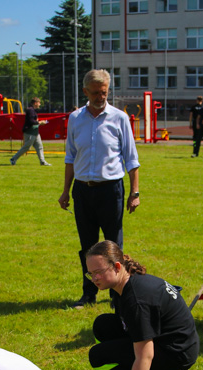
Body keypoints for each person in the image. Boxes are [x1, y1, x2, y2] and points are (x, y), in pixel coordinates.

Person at [86, 241, 199, 370]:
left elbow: (145, 356)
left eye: (98, 272)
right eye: (90, 274)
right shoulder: (122, 283)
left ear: (116, 267)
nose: (94, 279)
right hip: (170, 339)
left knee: (98, 358)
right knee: (102, 325)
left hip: (177, 353)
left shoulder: (137, 300)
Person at [59, 69, 140, 310]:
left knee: (114, 246)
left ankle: (118, 296)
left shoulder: (119, 118)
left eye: (103, 92)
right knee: (87, 246)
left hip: (111, 190)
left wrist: (134, 193)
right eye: (95, 93)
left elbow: (132, 160)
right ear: (85, 92)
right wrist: (66, 191)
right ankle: (89, 294)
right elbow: (70, 157)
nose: (100, 97)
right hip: (83, 191)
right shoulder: (75, 119)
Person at [11, 97, 50, 166]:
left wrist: (39, 122)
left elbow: (34, 120)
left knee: (39, 147)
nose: (40, 104)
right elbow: (31, 121)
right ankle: (13, 158)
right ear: (35, 103)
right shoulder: (30, 110)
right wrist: (40, 122)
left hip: (35, 132)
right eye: (39, 103)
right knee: (26, 147)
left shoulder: (33, 110)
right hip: (30, 133)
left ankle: (42, 161)